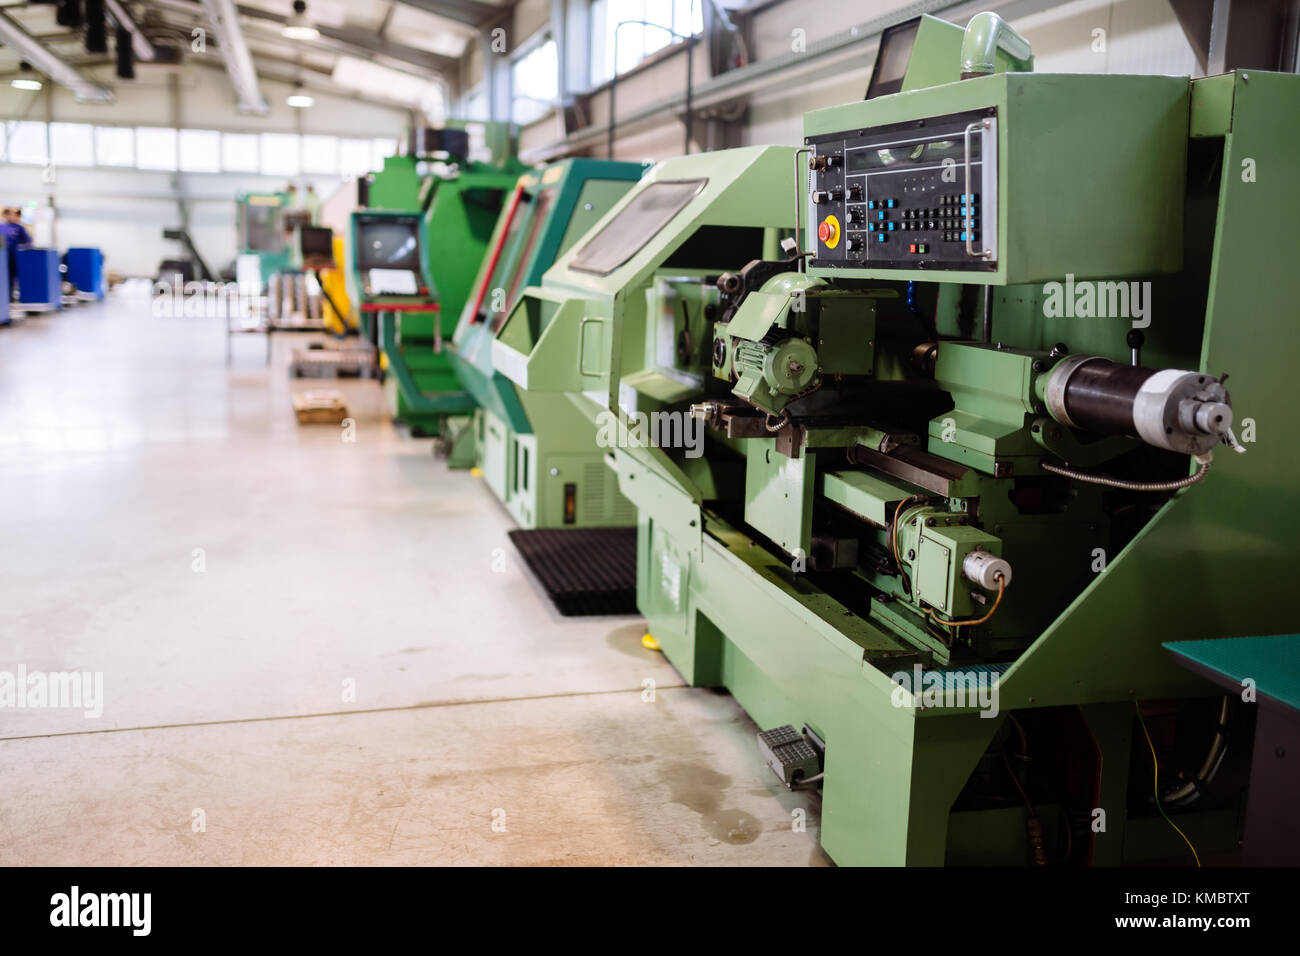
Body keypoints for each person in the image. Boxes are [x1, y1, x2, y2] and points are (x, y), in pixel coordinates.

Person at [1, 207, 32, 299]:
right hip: (3, 256)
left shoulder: (19, 228)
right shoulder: (1, 227)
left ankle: (11, 296)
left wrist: (21, 248)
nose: (10, 217)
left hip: (14, 257)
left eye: (12, 215)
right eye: (8, 214)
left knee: (13, 276)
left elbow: (27, 241)